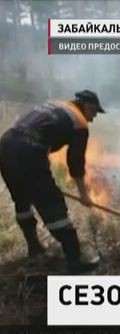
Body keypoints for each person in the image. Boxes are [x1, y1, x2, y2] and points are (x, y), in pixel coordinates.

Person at [0, 90, 105, 274]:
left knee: (22, 200)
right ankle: (75, 261)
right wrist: (84, 195)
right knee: (52, 203)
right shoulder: (79, 123)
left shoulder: (56, 104)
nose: (92, 119)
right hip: (29, 151)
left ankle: (35, 249)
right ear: (88, 106)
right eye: (94, 113)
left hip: (6, 144)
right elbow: (76, 164)